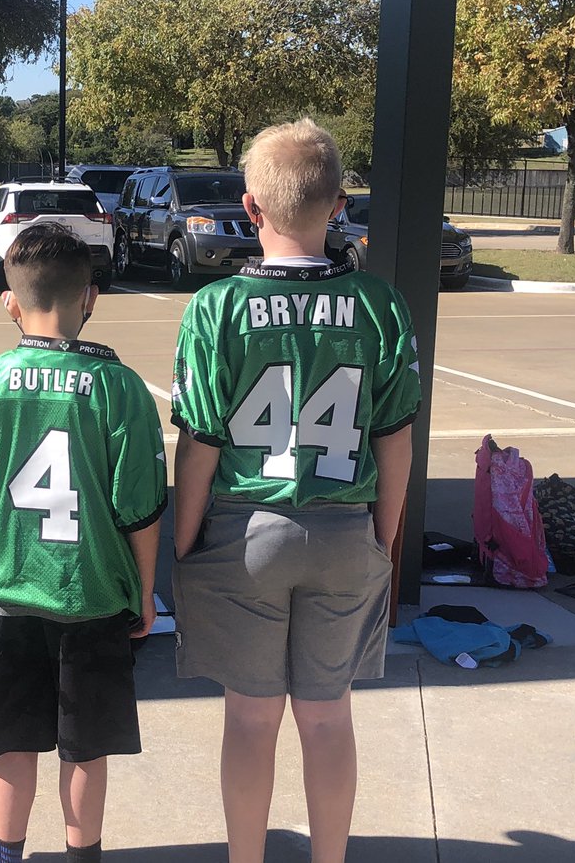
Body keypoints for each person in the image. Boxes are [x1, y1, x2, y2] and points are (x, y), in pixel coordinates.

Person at [170, 119, 421, 863]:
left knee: (250, 721)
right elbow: (396, 440)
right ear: (338, 203)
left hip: (246, 531)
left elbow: (198, 446)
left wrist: (184, 544)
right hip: (345, 527)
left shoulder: (214, 308)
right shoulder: (380, 305)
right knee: (328, 717)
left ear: (250, 209)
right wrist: (385, 534)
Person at [0, 224, 167, 863]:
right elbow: (139, 509)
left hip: (9, 589)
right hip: (94, 593)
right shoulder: (120, 387)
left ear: (10, 303)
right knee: (84, 747)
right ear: (91, 299)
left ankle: (5, 853)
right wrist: (146, 593)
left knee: (10, 743)